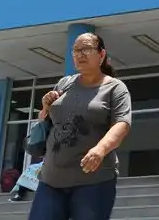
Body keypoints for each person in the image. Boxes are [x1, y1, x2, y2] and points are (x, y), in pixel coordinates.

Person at [28, 32, 132, 220]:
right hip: (51, 179)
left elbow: (122, 124)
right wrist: (45, 108)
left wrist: (100, 150)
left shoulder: (115, 88)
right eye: (75, 50)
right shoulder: (65, 83)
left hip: (94, 181)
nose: (79, 54)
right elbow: (47, 121)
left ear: (101, 55)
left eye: (86, 49)